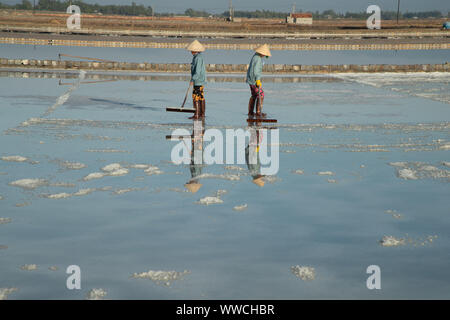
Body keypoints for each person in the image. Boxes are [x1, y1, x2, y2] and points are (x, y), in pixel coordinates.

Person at [246, 44, 271, 117]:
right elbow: (256, 71)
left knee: (254, 95)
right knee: (261, 94)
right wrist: (258, 80)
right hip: (254, 80)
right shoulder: (258, 59)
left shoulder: (255, 56)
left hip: (250, 79)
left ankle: (250, 112)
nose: (264, 55)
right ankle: (258, 112)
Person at [186, 40, 207, 120]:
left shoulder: (198, 58)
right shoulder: (198, 57)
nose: (190, 51)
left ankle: (197, 114)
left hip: (198, 81)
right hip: (200, 80)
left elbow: (197, 72)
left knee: (196, 97)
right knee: (200, 96)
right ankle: (202, 114)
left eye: (191, 50)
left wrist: (192, 80)